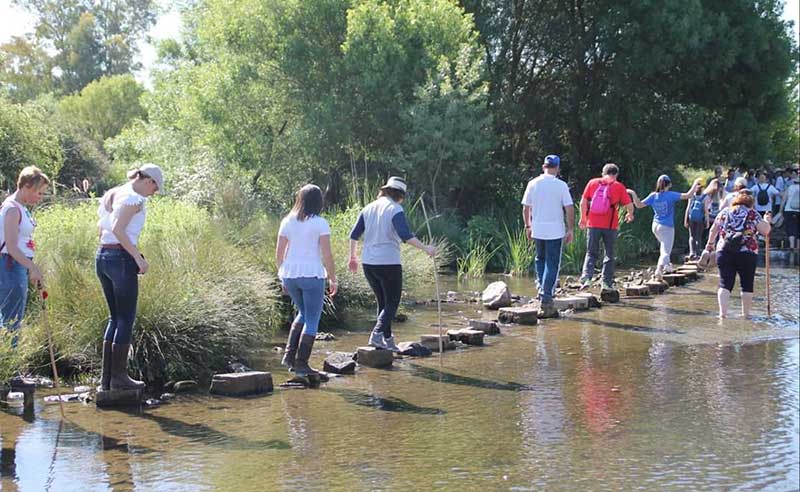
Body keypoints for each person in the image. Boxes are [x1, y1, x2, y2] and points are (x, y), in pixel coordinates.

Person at [96, 164, 163, 391]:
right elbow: (118, 227)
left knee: (114, 318)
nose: (154, 193)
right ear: (148, 181)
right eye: (155, 188)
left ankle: (107, 380)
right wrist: (138, 258)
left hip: (103, 255)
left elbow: (102, 227)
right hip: (121, 258)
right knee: (125, 318)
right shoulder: (134, 198)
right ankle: (119, 378)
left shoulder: (113, 193)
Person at [349, 177, 435, 351]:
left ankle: (387, 340)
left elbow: (353, 235)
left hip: (368, 263)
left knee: (383, 302)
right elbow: (405, 235)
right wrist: (426, 248)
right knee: (392, 302)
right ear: (399, 195)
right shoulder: (395, 208)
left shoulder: (368, 208)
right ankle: (377, 334)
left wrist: (353, 257)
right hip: (388, 262)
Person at [276, 184, 337, 377]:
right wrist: (333, 278)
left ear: (300, 199)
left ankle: (288, 357)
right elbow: (327, 254)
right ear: (318, 202)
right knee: (312, 320)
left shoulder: (287, 221)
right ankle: (301, 364)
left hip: (290, 274)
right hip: (312, 274)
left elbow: (279, 253)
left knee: (303, 312)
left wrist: (282, 276)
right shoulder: (320, 223)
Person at [0, 166, 49, 350]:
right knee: (11, 319)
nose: (40, 197)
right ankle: (10, 373)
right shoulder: (12, 209)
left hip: (15, 266)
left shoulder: (20, 207)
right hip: (10, 266)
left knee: (10, 317)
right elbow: (12, 246)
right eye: (39, 192)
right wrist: (33, 267)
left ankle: (8, 368)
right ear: (27, 186)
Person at [521, 155, 574, 318]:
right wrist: (570, 228)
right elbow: (569, 208)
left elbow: (525, 208)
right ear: (557, 168)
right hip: (555, 230)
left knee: (540, 259)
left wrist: (528, 226)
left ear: (543, 166)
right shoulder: (561, 185)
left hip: (538, 229)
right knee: (552, 263)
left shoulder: (533, 183)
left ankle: (541, 288)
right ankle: (546, 297)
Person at [705, 190, 771, 319]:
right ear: (750, 203)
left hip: (724, 251)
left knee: (725, 283)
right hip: (747, 252)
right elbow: (766, 231)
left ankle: (722, 314)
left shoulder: (724, 212)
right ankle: (745, 315)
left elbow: (713, 229)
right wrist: (766, 220)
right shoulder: (752, 213)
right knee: (747, 284)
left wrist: (710, 244)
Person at [628, 176, 699, 279]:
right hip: (667, 227)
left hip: (655, 226)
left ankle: (667, 266)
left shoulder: (653, 195)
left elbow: (638, 205)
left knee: (664, 246)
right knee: (666, 251)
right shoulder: (670, 195)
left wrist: (633, 193)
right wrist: (695, 183)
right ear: (669, 184)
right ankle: (659, 269)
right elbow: (688, 195)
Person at [578, 163, 635, 291]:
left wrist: (583, 218)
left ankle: (587, 277)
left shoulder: (592, 183)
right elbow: (629, 204)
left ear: (603, 173)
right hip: (610, 226)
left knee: (591, 252)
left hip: (592, 224)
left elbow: (583, 202)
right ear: (616, 175)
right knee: (609, 254)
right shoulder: (618, 186)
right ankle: (606, 283)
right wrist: (630, 214)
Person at [684, 179, 710, 260]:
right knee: (698, 236)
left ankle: (692, 253)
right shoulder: (705, 197)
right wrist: (707, 221)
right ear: (703, 187)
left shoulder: (691, 196)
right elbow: (706, 211)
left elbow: (688, 209)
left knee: (691, 236)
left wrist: (685, 220)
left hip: (692, 218)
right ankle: (698, 254)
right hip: (700, 219)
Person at [779, 168, 800, 253]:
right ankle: (798, 247)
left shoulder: (789, 187)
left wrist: (780, 211)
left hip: (789, 210)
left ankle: (791, 246)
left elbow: (783, 199)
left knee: (791, 227)